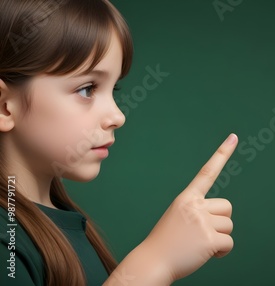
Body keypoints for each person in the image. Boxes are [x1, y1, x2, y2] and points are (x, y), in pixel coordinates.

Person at [0, 0, 238, 285]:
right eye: (87, 89)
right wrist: (155, 262)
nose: (118, 116)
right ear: (4, 106)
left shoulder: (62, 222)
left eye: (114, 89)